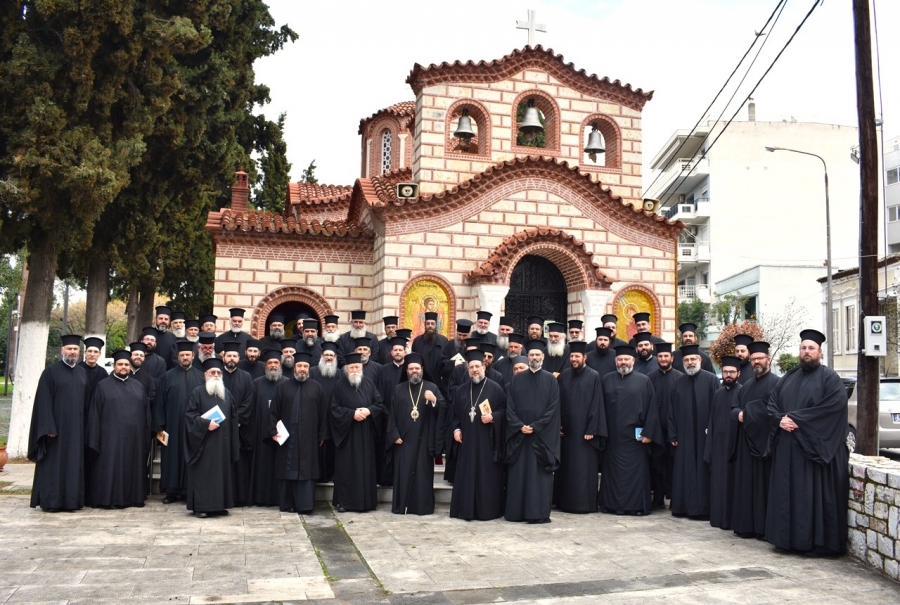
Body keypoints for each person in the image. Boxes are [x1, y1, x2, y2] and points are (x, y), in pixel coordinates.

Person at [748, 329, 848, 555]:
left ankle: (813, 543)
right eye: (803, 348)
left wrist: (797, 419)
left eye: (811, 348)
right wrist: (780, 419)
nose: (806, 352)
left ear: (820, 352)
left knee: (810, 499)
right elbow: (772, 405)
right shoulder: (788, 377)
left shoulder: (829, 378)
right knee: (787, 496)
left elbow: (833, 406)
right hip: (787, 450)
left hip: (812, 452)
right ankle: (787, 540)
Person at [27, 334, 90, 512]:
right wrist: (48, 427)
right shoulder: (50, 372)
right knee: (53, 465)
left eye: (75, 349)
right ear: (62, 350)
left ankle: (72, 501)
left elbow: (86, 403)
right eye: (69, 348)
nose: (72, 352)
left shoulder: (82, 373)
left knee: (73, 465)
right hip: (55, 431)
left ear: (80, 351)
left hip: (76, 430)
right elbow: (43, 402)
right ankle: (51, 501)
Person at [598, 345, 662, 516]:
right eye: (620, 359)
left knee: (636, 475)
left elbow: (652, 409)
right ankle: (610, 505)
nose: (623, 362)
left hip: (636, 439)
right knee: (613, 475)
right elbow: (600, 408)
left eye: (626, 359)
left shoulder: (644, 380)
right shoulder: (607, 380)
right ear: (615, 361)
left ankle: (636, 506)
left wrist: (649, 432)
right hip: (613, 439)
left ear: (633, 361)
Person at [504, 340, 561, 524]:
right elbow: (510, 406)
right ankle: (517, 513)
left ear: (543, 357)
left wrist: (536, 426)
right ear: (527, 357)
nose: (534, 358)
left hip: (540, 438)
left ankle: (538, 513)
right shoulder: (518, 379)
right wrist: (519, 425)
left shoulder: (551, 380)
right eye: (532, 355)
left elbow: (553, 408)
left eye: (538, 355)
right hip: (520, 437)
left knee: (538, 478)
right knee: (519, 475)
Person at [85, 350, 151, 509]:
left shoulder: (138, 387)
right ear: (114, 366)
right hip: (109, 440)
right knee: (109, 469)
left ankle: (133, 499)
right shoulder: (102, 386)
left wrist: (145, 437)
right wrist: (94, 439)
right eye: (120, 364)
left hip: (134, 440)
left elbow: (146, 414)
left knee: (132, 469)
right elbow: (94, 414)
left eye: (126, 364)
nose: (123, 367)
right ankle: (107, 499)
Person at [449, 349, 507, 521]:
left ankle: (486, 511)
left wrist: (493, 417)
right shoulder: (461, 391)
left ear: (484, 367)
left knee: (486, 477)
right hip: (467, 443)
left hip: (487, 443)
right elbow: (453, 416)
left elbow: (504, 411)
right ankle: (465, 510)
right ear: (467, 370)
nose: (475, 370)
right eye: (471, 367)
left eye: (477, 366)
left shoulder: (495, 388)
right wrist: (456, 429)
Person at [269, 351, 328, 514]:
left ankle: (305, 505)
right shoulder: (282, 386)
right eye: (299, 366)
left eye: (305, 366)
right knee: (287, 469)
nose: (302, 369)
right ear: (294, 367)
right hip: (286, 438)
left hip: (309, 439)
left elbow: (323, 413)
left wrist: (322, 434)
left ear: (309, 369)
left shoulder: (317, 387)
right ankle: (288, 504)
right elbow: (273, 411)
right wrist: (273, 431)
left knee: (307, 472)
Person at [731, 341, 779, 539]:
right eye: (753, 359)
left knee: (763, 487)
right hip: (746, 445)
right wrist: (738, 414)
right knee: (746, 485)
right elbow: (734, 407)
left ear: (768, 360)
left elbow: (774, 412)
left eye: (760, 358)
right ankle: (746, 526)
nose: (756, 362)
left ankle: (762, 528)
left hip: (766, 446)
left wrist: (749, 413)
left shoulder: (777, 383)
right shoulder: (746, 385)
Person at [386, 353, 442, 515]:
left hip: (424, 441)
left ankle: (422, 507)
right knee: (403, 473)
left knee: (423, 474)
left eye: (417, 368)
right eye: (411, 368)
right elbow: (392, 415)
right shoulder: (398, 389)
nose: (414, 371)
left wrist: (434, 401)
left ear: (422, 369)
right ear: (406, 371)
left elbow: (444, 410)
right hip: (403, 441)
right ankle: (402, 505)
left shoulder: (432, 388)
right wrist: (394, 434)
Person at [668, 344, 719, 519]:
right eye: (686, 360)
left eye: (693, 359)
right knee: (685, 470)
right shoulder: (678, 383)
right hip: (684, 437)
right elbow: (671, 411)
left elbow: (717, 408)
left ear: (700, 360)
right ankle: (684, 507)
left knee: (704, 472)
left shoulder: (712, 380)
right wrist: (673, 434)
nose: (690, 363)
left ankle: (705, 508)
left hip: (705, 437)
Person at [184, 358, 240, 518]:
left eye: (218, 373)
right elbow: (189, 416)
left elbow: (234, 417)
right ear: (205, 375)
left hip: (222, 445)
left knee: (221, 475)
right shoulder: (197, 392)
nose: (216, 375)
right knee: (204, 475)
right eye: (212, 372)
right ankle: (202, 507)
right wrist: (205, 424)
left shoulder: (226, 394)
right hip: (204, 445)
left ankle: (219, 505)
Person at [555, 341, 605, 514]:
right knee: (567, 468)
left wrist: (592, 429)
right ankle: (565, 503)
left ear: (585, 357)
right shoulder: (564, 375)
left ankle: (585, 504)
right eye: (572, 356)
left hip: (585, 433)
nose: (574, 359)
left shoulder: (594, 376)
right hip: (567, 432)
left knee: (583, 469)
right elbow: (558, 402)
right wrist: (558, 424)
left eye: (577, 356)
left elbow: (597, 403)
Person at [329, 353, 383, 512]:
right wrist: (351, 414)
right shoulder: (339, 385)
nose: (354, 370)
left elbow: (379, 404)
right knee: (346, 469)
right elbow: (334, 408)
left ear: (362, 368)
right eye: (351, 367)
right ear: (346, 369)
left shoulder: (370, 383)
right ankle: (344, 503)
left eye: (357, 367)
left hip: (366, 434)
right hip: (347, 436)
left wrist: (368, 411)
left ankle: (367, 503)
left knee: (365, 469)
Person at [153, 341, 205, 504]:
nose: (185, 357)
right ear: (178, 357)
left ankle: (189, 490)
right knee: (171, 458)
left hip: (193, 426)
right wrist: (160, 425)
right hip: (172, 425)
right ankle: (171, 491)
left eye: (187, 355)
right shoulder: (168, 376)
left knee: (190, 457)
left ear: (193, 356)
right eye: (182, 355)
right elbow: (159, 401)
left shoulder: (201, 376)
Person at [705, 356, 742, 530]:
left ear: (738, 373)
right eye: (726, 371)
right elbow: (712, 421)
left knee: (731, 484)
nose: (728, 375)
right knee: (718, 483)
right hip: (718, 447)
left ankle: (730, 520)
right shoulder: (718, 393)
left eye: (731, 372)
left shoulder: (742, 392)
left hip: (733, 448)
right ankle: (717, 518)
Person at [646, 343, 682, 509]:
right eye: (660, 356)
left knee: (673, 465)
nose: (663, 359)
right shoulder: (650, 378)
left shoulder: (680, 378)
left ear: (672, 358)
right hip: (656, 430)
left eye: (666, 356)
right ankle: (658, 498)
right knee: (656, 465)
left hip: (673, 430)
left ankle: (675, 497)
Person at [248, 350, 284, 507]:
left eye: (276, 363)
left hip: (281, 435)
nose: (273, 365)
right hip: (261, 433)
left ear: (280, 365)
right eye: (270, 363)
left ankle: (279, 498)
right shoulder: (256, 383)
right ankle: (261, 498)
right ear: (265, 366)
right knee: (262, 467)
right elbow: (251, 409)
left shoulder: (287, 383)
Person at [221, 341, 255, 506]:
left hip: (240, 430)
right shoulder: (216, 375)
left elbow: (249, 402)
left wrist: (235, 420)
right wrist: (223, 421)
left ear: (239, 358)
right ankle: (221, 495)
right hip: (219, 429)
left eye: (234, 356)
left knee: (239, 464)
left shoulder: (246, 377)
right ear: (224, 357)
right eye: (229, 356)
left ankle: (239, 497)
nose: (232, 358)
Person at [376, 336, 408, 486]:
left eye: (400, 350)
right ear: (391, 352)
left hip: (405, 419)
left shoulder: (410, 370)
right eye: (395, 350)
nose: (398, 352)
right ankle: (386, 479)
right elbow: (378, 394)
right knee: (386, 450)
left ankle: (401, 479)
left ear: (405, 351)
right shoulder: (383, 370)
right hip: (386, 418)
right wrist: (388, 414)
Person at [410, 311, 452, 396]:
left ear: (436, 325)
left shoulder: (444, 340)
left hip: (438, 382)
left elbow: (446, 361)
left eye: (432, 324)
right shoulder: (417, 341)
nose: (430, 326)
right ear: (425, 325)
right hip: (421, 381)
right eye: (428, 323)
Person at [154, 306, 178, 370]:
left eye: (166, 319)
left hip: (168, 373)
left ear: (169, 321)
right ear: (155, 319)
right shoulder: (147, 335)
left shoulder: (173, 337)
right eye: (161, 318)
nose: (163, 321)